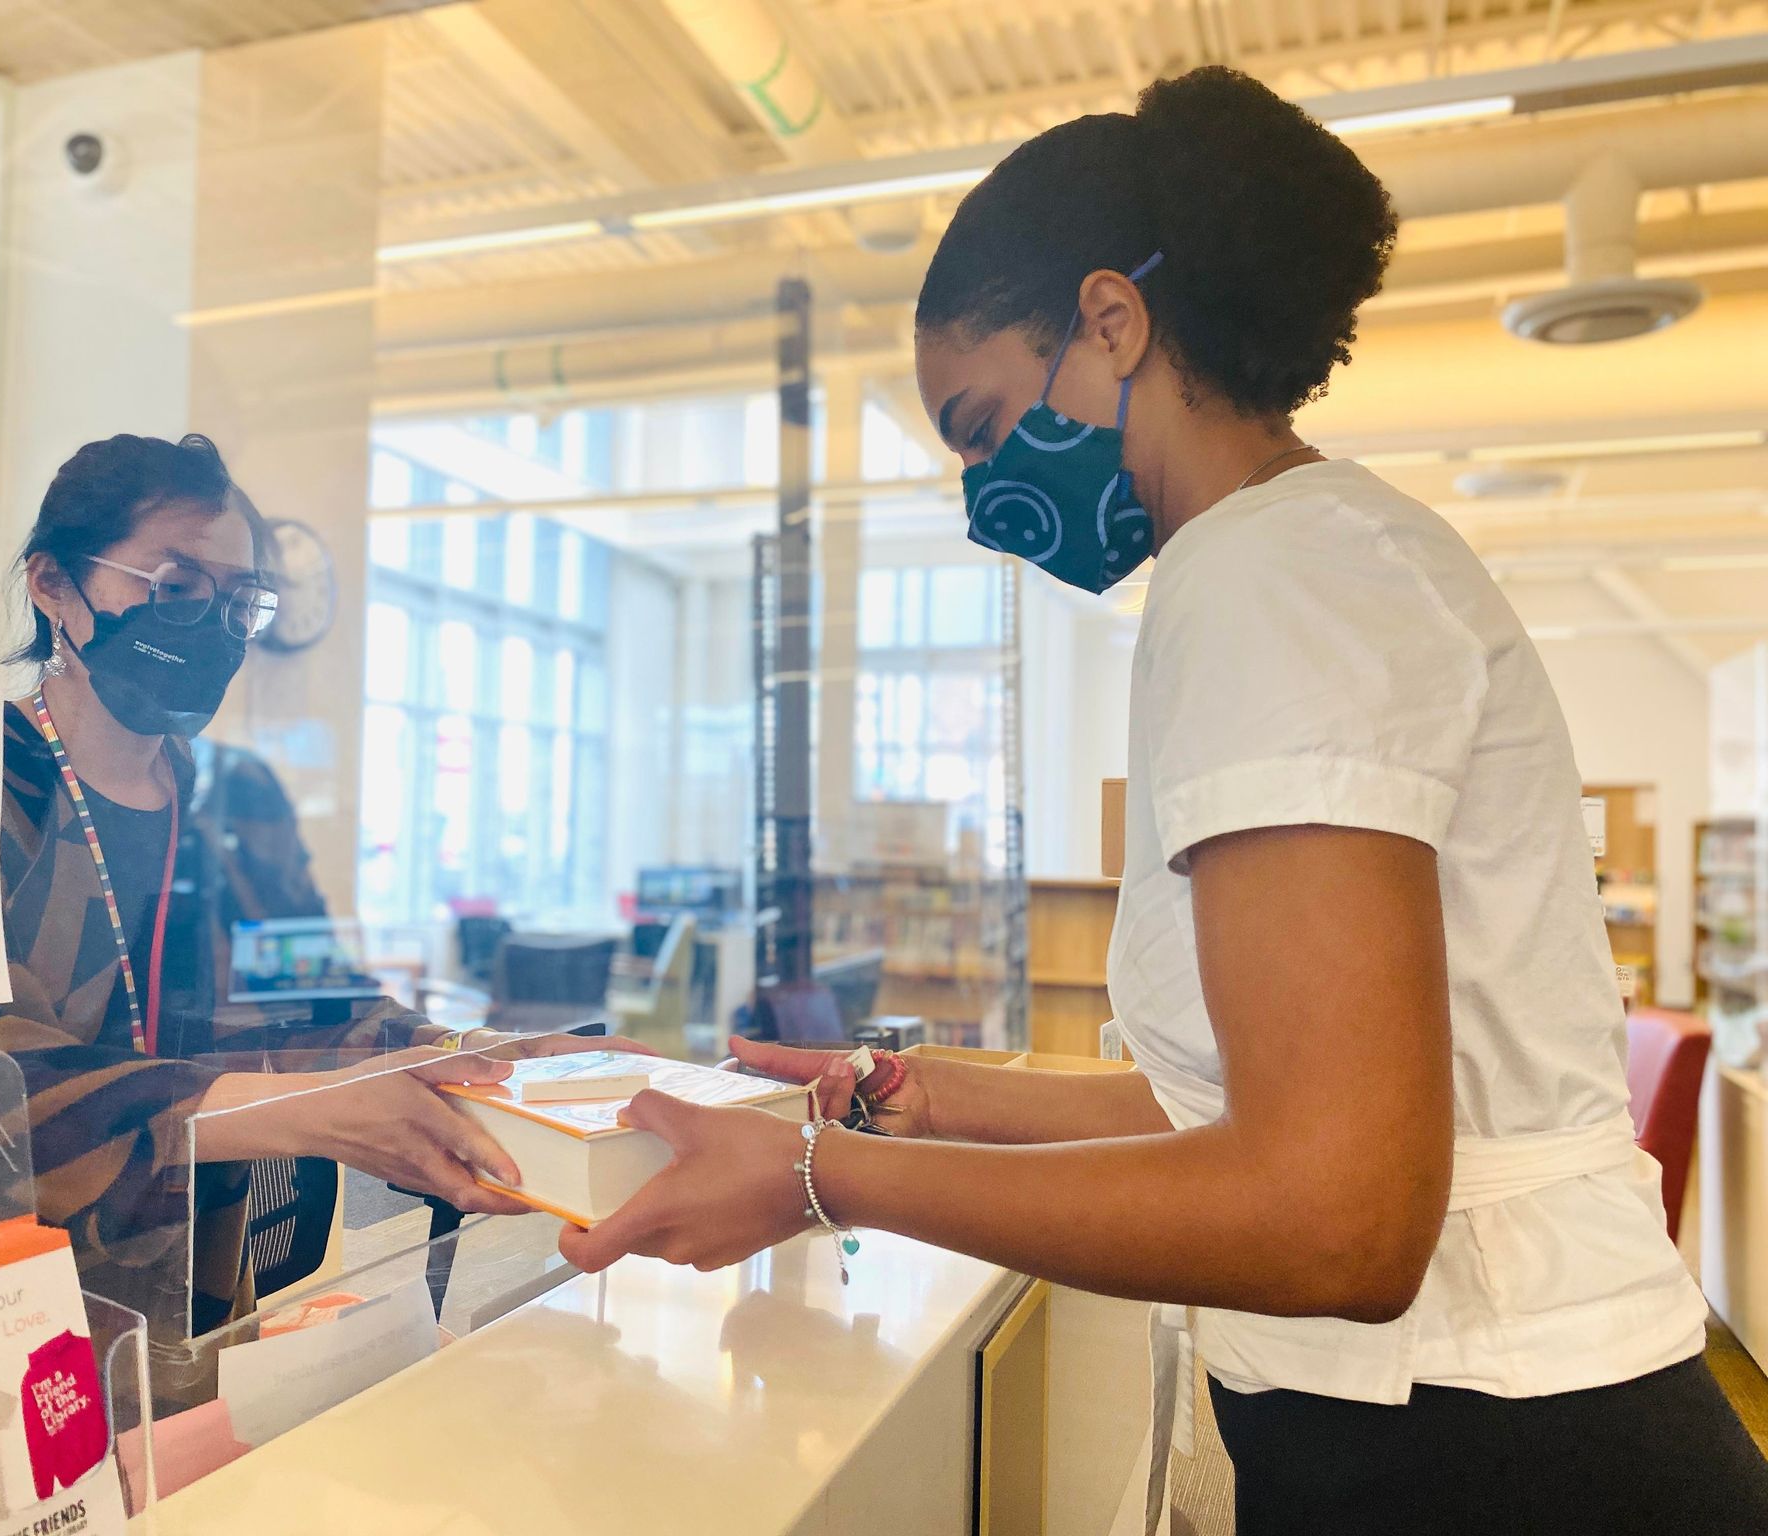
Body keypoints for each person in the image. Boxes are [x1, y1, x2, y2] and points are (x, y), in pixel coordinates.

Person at [555, 69, 1768, 1534]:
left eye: (987, 422)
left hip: (1497, 1450)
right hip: (1490, 1415)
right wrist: (940, 1105)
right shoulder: (1321, 550)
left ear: (1112, 322)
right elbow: (1271, 1098)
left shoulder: (1267, 578)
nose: (985, 490)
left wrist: (828, 1178)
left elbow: (1337, 1217)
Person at [0, 433, 640, 1404]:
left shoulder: (231, 803)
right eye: (173, 588)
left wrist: (466, 1052)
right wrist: (308, 1110)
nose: (214, 627)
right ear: (52, 586)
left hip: (180, 1324)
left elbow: (317, 1007)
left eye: (238, 601)